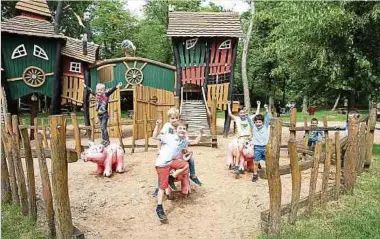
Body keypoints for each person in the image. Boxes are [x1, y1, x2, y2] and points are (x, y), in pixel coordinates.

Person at [152, 119, 203, 222]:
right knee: (162, 187)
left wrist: (200, 133)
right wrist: (157, 126)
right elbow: (154, 137)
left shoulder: (183, 140)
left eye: (184, 129)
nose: (182, 130)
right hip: (162, 164)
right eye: (180, 128)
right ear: (176, 130)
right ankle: (159, 207)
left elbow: (195, 141)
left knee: (186, 165)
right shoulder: (169, 137)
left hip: (171, 162)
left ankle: (172, 176)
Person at [152, 107, 203, 197]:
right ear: (169, 119)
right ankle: (158, 187)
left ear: (179, 118)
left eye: (176, 118)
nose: (175, 120)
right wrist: (159, 150)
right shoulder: (167, 126)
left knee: (190, 159)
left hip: (178, 150)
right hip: (167, 150)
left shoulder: (180, 126)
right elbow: (159, 139)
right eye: (172, 118)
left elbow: (186, 140)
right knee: (162, 165)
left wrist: (186, 149)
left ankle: (193, 176)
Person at [227, 101, 261, 177]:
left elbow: (256, 114)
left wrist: (258, 105)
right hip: (241, 138)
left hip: (249, 137)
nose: (243, 114)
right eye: (241, 113)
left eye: (244, 113)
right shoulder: (237, 119)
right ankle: (236, 165)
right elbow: (230, 114)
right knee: (240, 148)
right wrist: (229, 105)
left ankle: (257, 163)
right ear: (239, 114)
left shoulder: (249, 118)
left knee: (256, 148)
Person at [251, 104, 271, 182]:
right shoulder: (253, 127)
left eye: (260, 122)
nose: (258, 123)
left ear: (262, 122)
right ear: (254, 122)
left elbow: (268, 117)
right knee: (256, 162)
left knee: (268, 161)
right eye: (256, 122)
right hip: (257, 147)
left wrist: (266, 109)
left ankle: (268, 173)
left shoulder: (265, 126)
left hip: (265, 147)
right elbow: (250, 120)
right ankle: (255, 174)